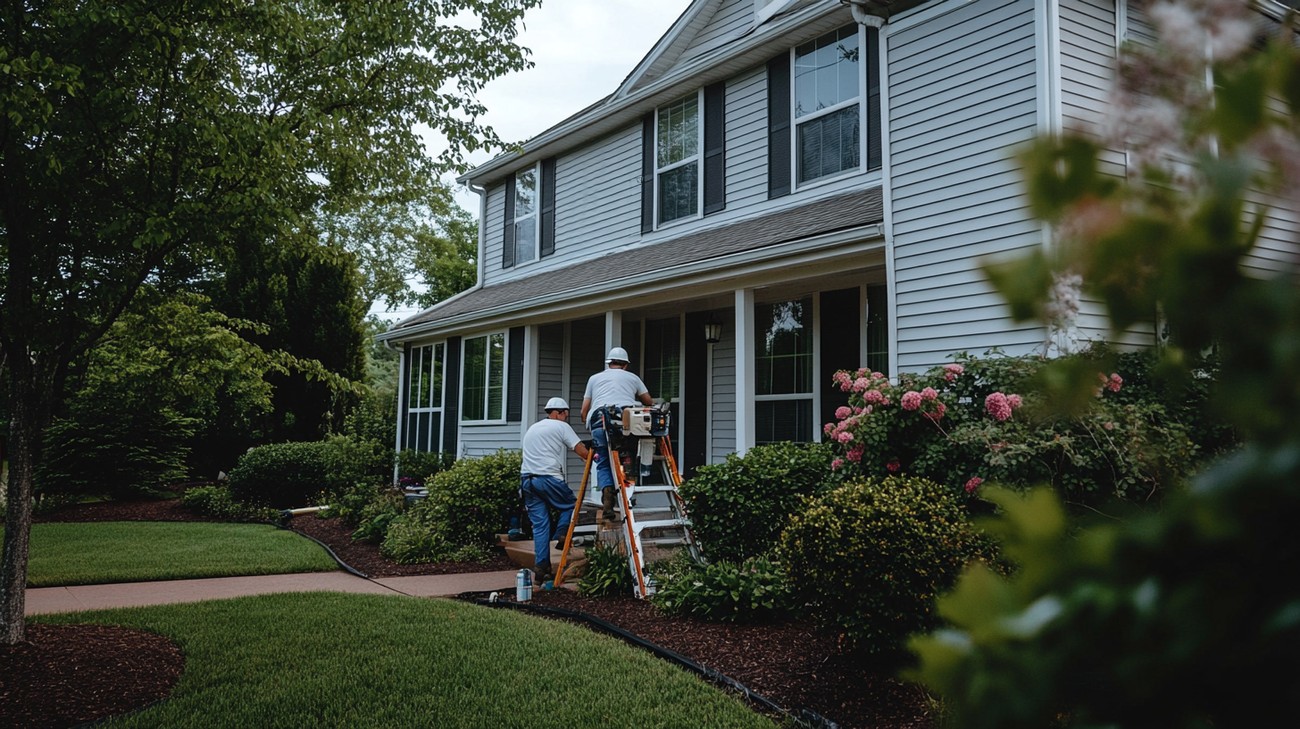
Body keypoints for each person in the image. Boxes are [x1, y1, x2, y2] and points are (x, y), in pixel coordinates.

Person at [519, 396, 590, 584]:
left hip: (527, 480)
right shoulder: (561, 427)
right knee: (570, 505)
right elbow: (581, 451)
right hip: (548, 478)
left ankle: (542, 569)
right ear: (559, 413)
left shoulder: (533, 428)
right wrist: (596, 457)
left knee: (540, 527)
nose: (566, 418)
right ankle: (562, 533)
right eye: (565, 414)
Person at [580, 346, 654, 518]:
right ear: (625, 365)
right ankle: (627, 499)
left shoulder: (594, 378)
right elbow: (648, 401)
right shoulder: (632, 378)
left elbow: (584, 410)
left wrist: (586, 420)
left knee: (604, 462)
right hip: (626, 423)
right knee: (627, 458)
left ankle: (607, 501)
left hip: (599, 421)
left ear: (609, 363)